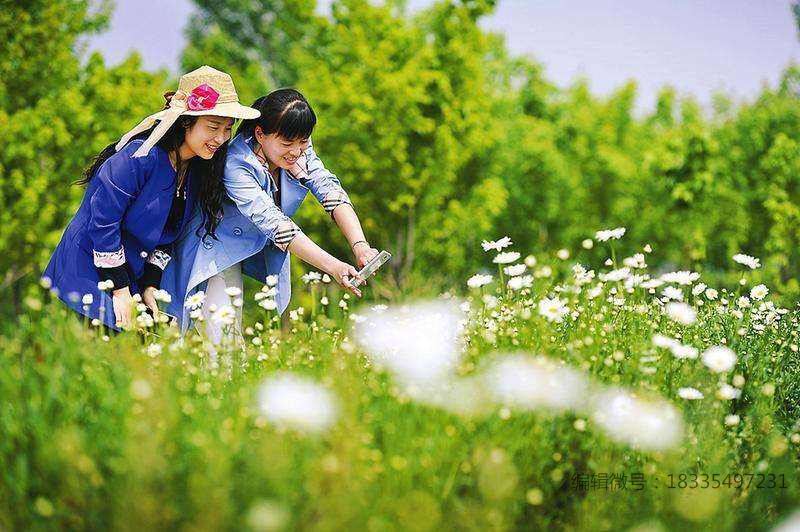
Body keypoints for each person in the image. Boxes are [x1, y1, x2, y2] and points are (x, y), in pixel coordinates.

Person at [42, 66, 260, 331]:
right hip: (83, 277)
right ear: (185, 122)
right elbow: (102, 221)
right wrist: (120, 289)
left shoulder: (195, 172)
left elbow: (166, 238)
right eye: (213, 127)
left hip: (125, 280)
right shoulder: (139, 158)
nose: (221, 138)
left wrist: (149, 286)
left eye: (227, 129)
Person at [163, 88, 379, 343]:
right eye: (287, 144)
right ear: (260, 134)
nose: (296, 152)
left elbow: (331, 192)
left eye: (304, 142)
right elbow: (277, 225)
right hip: (214, 250)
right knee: (224, 345)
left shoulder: (299, 150)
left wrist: (360, 246)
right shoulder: (236, 163)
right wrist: (335, 267)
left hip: (255, 247)